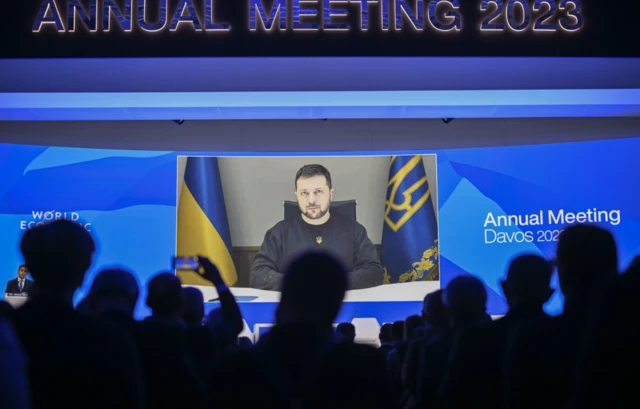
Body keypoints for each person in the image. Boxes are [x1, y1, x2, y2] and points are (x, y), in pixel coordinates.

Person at [438, 254, 554, 409]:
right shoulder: (570, 336)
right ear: (549, 293)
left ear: (504, 288)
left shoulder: (474, 339)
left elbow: (450, 399)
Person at [250, 164, 383, 290]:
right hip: (295, 307)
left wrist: (333, 282)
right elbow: (258, 275)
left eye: (318, 192)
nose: (311, 200)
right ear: (297, 196)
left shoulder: (354, 230)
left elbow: (374, 271)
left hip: (341, 306)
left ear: (331, 194)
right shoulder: (278, 233)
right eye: (304, 193)